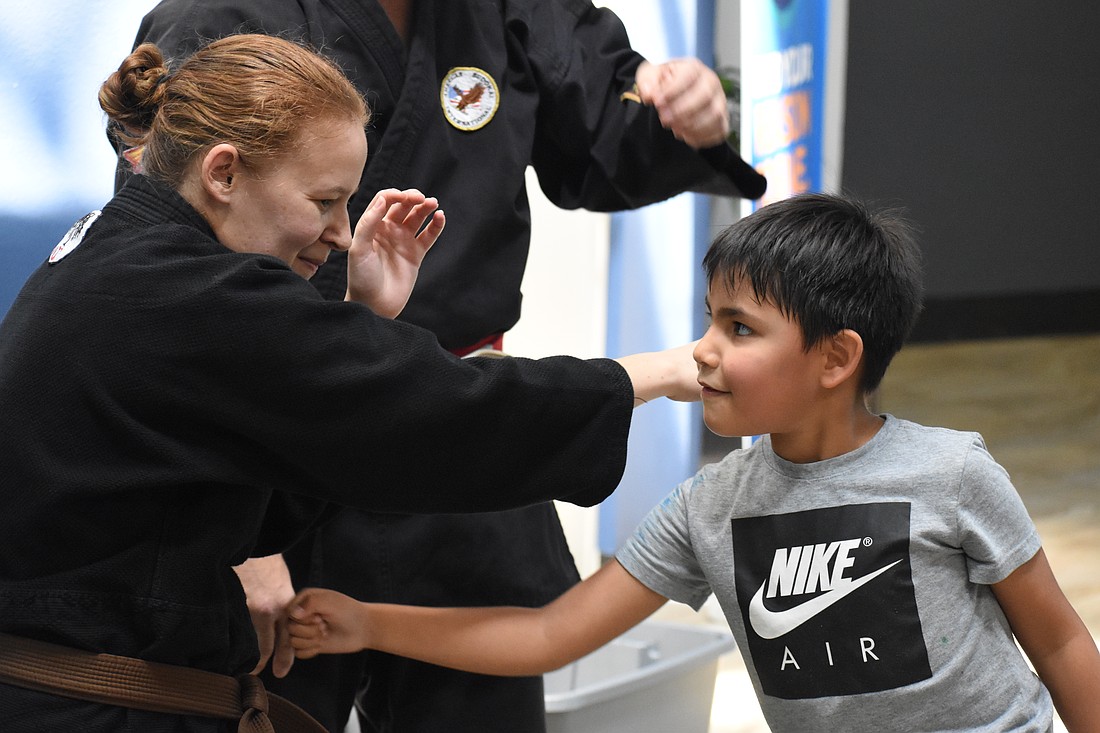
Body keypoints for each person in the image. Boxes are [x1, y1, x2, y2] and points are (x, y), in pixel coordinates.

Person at [0, 34, 703, 733]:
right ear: (223, 173)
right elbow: (437, 413)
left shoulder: (114, 247)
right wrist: (660, 372)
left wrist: (362, 317)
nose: (342, 233)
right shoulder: (192, 291)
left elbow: (274, 435)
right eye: (325, 199)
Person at [285, 193, 1100, 732]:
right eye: (708, 320)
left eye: (740, 329)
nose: (703, 352)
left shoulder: (952, 472)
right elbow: (547, 633)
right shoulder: (709, 506)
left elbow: (1062, 644)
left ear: (835, 357)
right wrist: (367, 620)